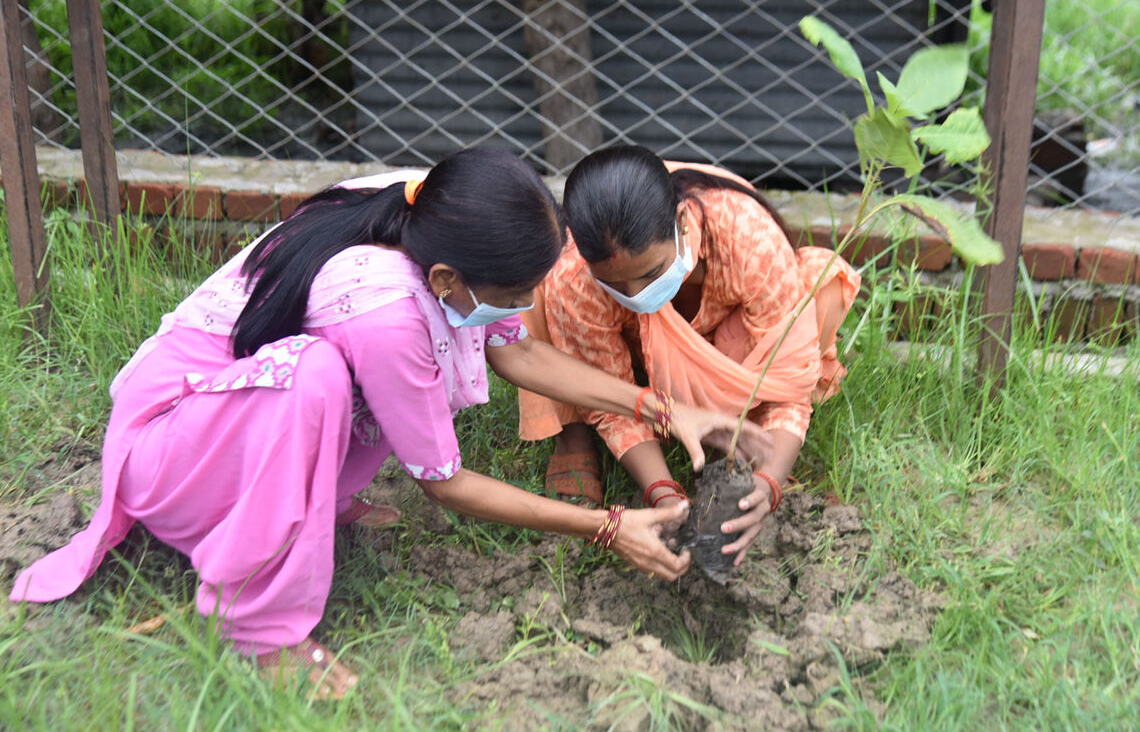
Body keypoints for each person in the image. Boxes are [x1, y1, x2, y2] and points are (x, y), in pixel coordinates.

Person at [8, 148, 769, 699]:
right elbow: (446, 483)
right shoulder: (388, 312)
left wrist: (664, 407)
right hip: (172, 449)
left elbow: (519, 352)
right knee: (314, 375)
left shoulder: (428, 211)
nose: (524, 307)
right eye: (515, 295)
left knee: (324, 377)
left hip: (223, 422)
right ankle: (256, 626)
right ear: (446, 281)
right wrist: (607, 526)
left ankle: (305, 500)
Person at [519, 145, 860, 567]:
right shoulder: (577, 273)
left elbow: (789, 385)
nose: (636, 296)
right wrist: (664, 495)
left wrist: (769, 482)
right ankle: (573, 435)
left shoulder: (747, 239)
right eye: (616, 286)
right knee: (542, 287)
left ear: (682, 222)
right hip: (632, 360)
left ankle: (739, 431)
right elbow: (609, 398)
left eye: (650, 274)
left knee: (815, 299)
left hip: (726, 342)